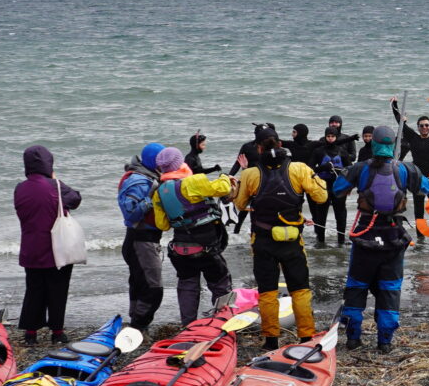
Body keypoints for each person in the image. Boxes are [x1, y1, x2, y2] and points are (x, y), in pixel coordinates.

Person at [332, 123, 429, 352]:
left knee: (357, 287)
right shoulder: (405, 169)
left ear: (374, 143)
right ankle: (384, 342)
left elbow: (337, 190)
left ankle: (353, 339)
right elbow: (425, 189)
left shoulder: (360, 168)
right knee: (389, 289)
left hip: (365, 237)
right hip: (393, 238)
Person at [231, 125, 328, 349]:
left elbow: (240, 205)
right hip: (292, 241)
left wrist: (240, 182)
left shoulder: (250, 174)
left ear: (258, 147)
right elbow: (321, 196)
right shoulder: (300, 169)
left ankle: (271, 340)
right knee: (300, 288)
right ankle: (306, 337)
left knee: (267, 291)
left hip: (263, 241)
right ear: (280, 143)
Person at [151, 146, 238, 325]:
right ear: (179, 164)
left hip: (180, 249)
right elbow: (222, 188)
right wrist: (225, 177)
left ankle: (188, 325)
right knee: (220, 284)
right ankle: (222, 322)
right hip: (206, 246)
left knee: (187, 286)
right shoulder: (193, 182)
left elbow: (163, 225)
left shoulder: (159, 193)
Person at [12, 145, 82, 345]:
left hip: (30, 249)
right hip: (56, 248)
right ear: (48, 163)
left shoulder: (20, 188)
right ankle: (57, 332)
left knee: (34, 289)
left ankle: (31, 333)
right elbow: (76, 199)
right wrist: (55, 179)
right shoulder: (55, 186)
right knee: (58, 289)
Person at [116, 142, 175, 332]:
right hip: (140, 241)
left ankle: (136, 321)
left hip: (142, 241)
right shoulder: (139, 181)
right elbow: (130, 214)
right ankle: (139, 324)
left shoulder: (150, 177)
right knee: (153, 287)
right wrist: (151, 198)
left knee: (139, 282)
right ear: (153, 161)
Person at [392, 97, 429, 228]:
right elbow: (400, 123)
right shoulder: (413, 138)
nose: (424, 127)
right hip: (418, 180)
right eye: (421, 125)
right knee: (419, 214)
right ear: (418, 127)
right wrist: (394, 104)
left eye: (426, 125)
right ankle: (420, 242)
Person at [311, 116, 356, 246]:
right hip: (323, 186)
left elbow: (350, 170)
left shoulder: (342, 152)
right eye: (328, 136)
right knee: (321, 214)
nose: (330, 138)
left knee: (340, 214)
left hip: (338, 187)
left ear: (336, 137)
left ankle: (341, 241)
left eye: (332, 136)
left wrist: (348, 185)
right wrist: (322, 168)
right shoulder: (318, 151)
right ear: (325, 137)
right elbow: (310, 169)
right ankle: (320, 242)